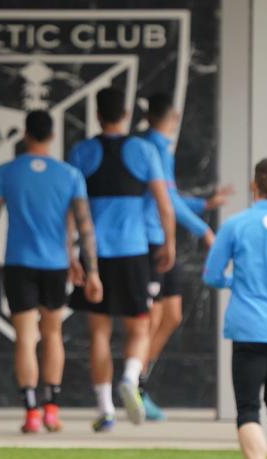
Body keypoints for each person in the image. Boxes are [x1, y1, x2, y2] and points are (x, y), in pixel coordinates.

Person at [0, 110, 102, 433]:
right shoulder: (70, 175)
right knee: (52, 334)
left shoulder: (6, 172)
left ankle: (31, 411)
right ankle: (52, 409)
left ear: (25, 135)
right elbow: (85, 229)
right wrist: (91, 270)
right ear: (52, 137)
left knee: (25, 337)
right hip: (55, 265)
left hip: (19, 263)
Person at [67, 87, 175, 432]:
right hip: (133, 252)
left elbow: (73, 207)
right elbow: (163, 202)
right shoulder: (143, 149)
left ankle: (106, 410)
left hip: (95, 254)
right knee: (139, 327)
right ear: (126, 114)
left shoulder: (82, 151)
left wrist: (71, 252)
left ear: (97, 115)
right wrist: (169, 241)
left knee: (99, 332)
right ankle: (130, 377)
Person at [140, 93, 232, 420]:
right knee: (150, 318)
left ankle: (137, 382)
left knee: (173, 315)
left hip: (163, 240)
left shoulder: (160, 148)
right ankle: (135, 385)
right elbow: (167, 202)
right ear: (174, 117)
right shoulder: (150, 148)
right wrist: (203, 229)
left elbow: (172, 197)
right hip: (150, 240)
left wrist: (204, 205)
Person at [203, 158, 267, 459]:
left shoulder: (236, 224)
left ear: (254, 186)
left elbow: (211, 275)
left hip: (249, 327)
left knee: (248, 408)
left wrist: (235, 280)